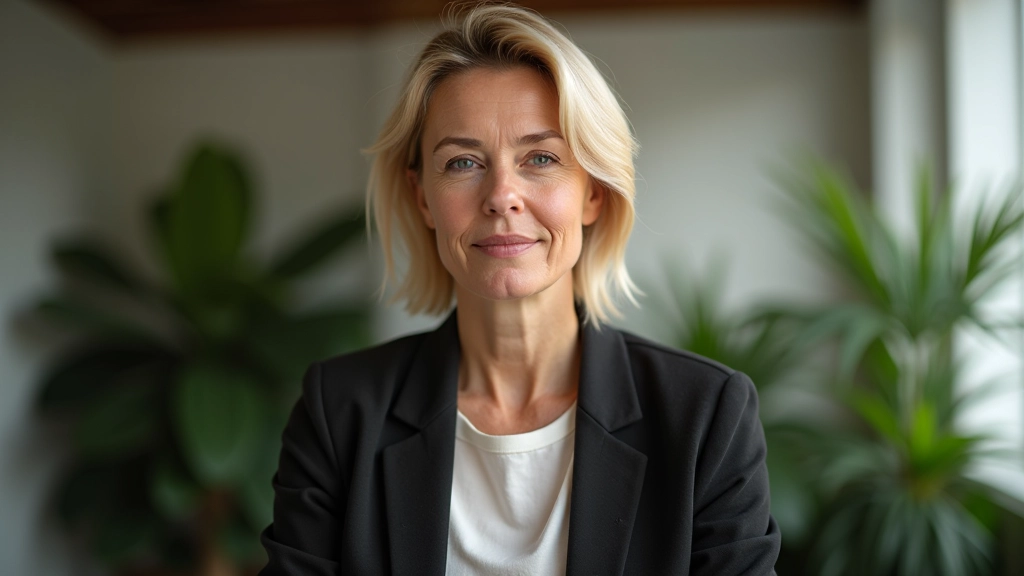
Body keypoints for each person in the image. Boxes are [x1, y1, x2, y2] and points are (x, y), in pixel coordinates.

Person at [258, 4, 780, 575]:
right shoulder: (340, 412)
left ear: (593, 193)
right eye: (462, 162)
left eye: (541, 158)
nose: (502, 195)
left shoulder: (705, 415)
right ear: (423, 197)